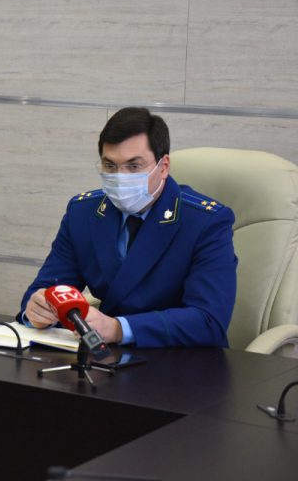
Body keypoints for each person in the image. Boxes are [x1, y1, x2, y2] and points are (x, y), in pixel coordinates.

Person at [19, 107, 237, 347]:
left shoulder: (206, 222)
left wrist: (118, 329)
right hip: (105, 356)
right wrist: (37, 311)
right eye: (110, 166)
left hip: (181, 359)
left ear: (164, 166)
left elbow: (208, 321)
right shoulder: (83, 212)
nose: (120, 177)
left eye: (133, 166)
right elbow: (50, 286)